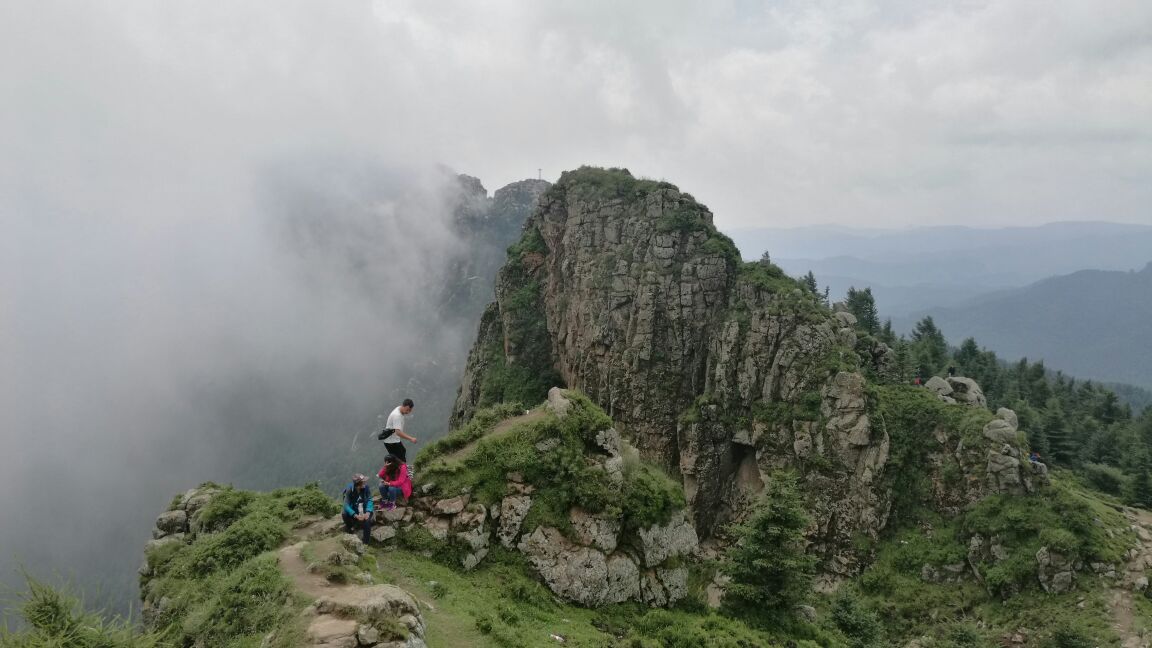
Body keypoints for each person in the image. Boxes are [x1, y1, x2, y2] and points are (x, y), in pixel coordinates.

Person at [379, 398, 417, 463]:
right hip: (391, 442)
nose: (408, 412)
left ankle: (398, 469)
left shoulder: (399, 408)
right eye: (407, 410)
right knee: (400, 460)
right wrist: (411, 438)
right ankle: (402, 471)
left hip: (393, 440)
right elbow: (398, 432)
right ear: (404, 406)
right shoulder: (397, 416)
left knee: (402, 451)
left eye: (410, 411)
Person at [341, 473, 374, 543]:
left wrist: (368, 512)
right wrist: (355, 515)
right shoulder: (349, 490)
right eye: (363, 482)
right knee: (344, 513)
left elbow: (370, 499)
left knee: (367, 521)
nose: (365, 483)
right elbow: (346, 504)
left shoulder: (366, 488)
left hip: (364, 510)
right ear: (358, 484)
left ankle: (366, 542)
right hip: (355, 511)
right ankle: (351, 528)